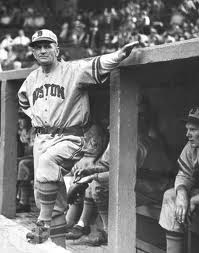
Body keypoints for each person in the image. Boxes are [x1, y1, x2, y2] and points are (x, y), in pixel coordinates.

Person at [17, 28, 139, 246]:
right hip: (42, 138)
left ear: (57, 49)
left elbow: (99, 64)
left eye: (47, 46)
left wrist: (119, 54)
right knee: (51, 200)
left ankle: (42, 223)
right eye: (38, 47)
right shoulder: (31, 79)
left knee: (48, 164)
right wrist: (38, 118)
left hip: (69, 137)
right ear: (34, 52)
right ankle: (58, 246)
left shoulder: (74, 70)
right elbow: (24, 102)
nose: (43, 50)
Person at [66, 97, 172, 246]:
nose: (109, 127)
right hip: (136, 182)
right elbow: (108, 166)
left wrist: (90, 177)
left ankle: (109, 232)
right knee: (94, 181)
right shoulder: (120, 139)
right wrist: (88, 171)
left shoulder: (140, 143)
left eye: (114, 121)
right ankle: (93, 227)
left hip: (156, 188)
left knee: (98, 184)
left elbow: (122, 175)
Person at [159, 107, 199, 253]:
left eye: (193, 129)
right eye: (187, 129)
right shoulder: (191, 147)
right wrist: (182, 193)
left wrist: (195, 200)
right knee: (171, 196)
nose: (187, 134)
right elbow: (184, 174)